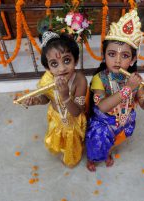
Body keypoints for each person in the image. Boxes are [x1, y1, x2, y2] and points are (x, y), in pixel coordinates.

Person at [85, 10, 144, 172]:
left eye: (124, 56)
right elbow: (102, 107)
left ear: (132, 60)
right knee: (97, 140)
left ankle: (106, 153)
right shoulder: (99, 78)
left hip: (124, 120)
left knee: (113, 141)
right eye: (111, 54)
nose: (117, 60)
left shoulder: (135, 79)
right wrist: (127, 89)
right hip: (103, 122)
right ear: (104, 56)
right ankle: (92, 158)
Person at [22, 31, 88, 167]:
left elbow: (77, 112)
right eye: (54, 64)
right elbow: (47, 98)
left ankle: (71, 157)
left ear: (75, 60)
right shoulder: (47, 79)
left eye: (67, 60)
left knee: (72, 141)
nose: (62, 68)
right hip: (56, 118)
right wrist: (36, 101)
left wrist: (65, 96)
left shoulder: (80, 80)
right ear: (47, 68)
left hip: (72, 121)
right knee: (58, 139)